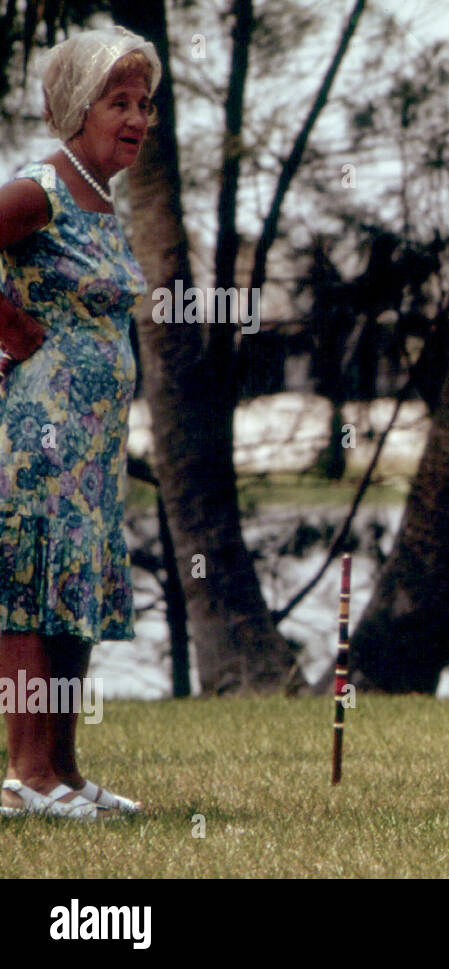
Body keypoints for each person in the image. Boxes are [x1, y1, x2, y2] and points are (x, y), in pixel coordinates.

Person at [0, 26, 159, 819]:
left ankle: (62, 769)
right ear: (75, 105)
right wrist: (13, 330)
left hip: (94, 446)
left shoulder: (99, 194)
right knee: (30, 591)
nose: (136, 117)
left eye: (144, 103)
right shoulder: (40, 188)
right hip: (40, 435)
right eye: (118, 101)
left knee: (73, 587)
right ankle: (26, 774)